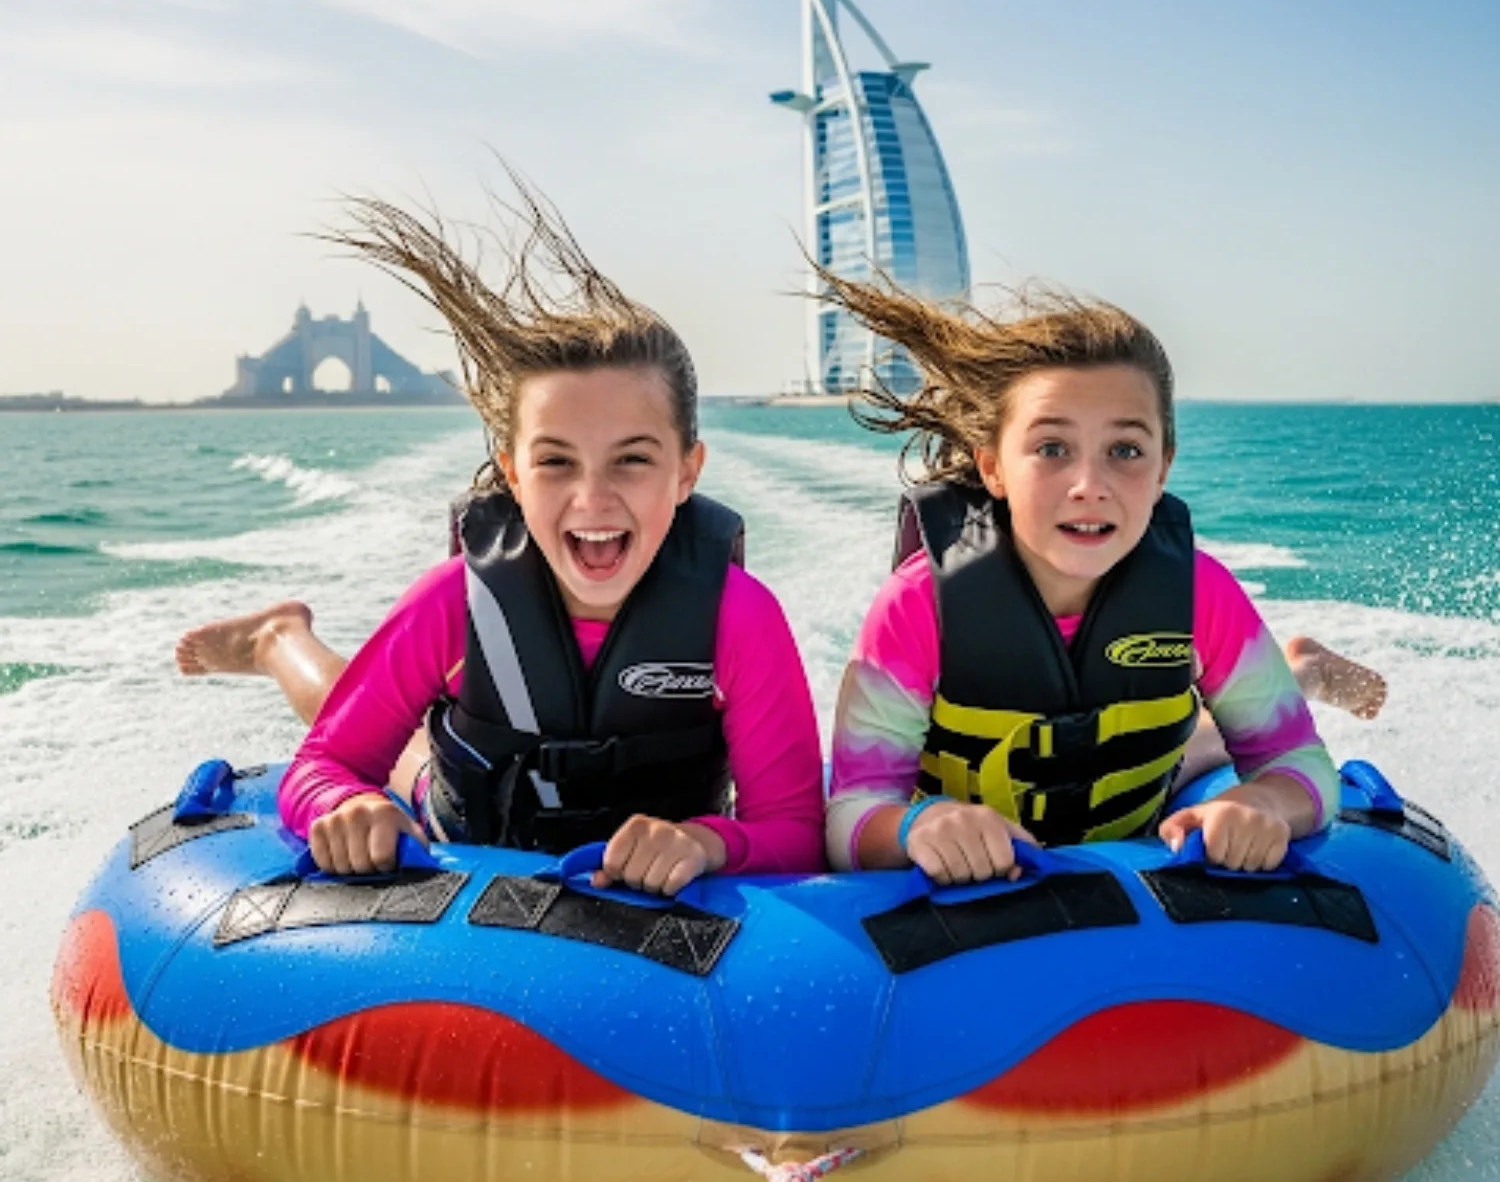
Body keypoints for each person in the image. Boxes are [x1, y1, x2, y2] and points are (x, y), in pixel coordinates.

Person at [178, 182, 824, 892]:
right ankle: (279, 639)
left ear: (687, 472)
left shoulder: (739, 618)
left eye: (633, 460)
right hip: (459, 812)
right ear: (513, 476)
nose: (593, 497)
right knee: (403, 754)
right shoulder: (453, 603)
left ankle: (281, 636)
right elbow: (325, 764)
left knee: (413, 730)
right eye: (556, 462)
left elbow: (795, 829)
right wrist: (346, 804)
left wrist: (707, 843)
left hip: (656, 876)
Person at [820, 276, 1382, 881]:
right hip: (982, 851)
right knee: (1191, 739)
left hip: (1146, 781)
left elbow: (1298, 761)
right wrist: (917, 826)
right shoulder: (917, 606)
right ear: (993, 467)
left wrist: (1264, 802)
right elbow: (850, 814)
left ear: (1163, 468)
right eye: (1052, 449)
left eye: (1125, 451)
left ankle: (1301, 673)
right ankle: (1298, 670)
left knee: (1196, 749)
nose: (1089, 485)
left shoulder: (1200, 595)